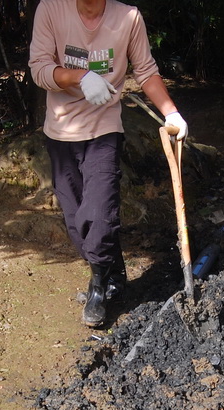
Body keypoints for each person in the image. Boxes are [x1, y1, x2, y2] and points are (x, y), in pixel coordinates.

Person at [29, 0, 187, 328]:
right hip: (60, 131)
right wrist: (80, 77)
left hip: (104, 128)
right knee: (76, 222)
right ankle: (112, 272)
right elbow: (39, 68)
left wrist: (171, 112)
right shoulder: (51, 9)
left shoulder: (127, 17)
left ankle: (98, 286)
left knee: (100, 214)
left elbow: (145, 71)